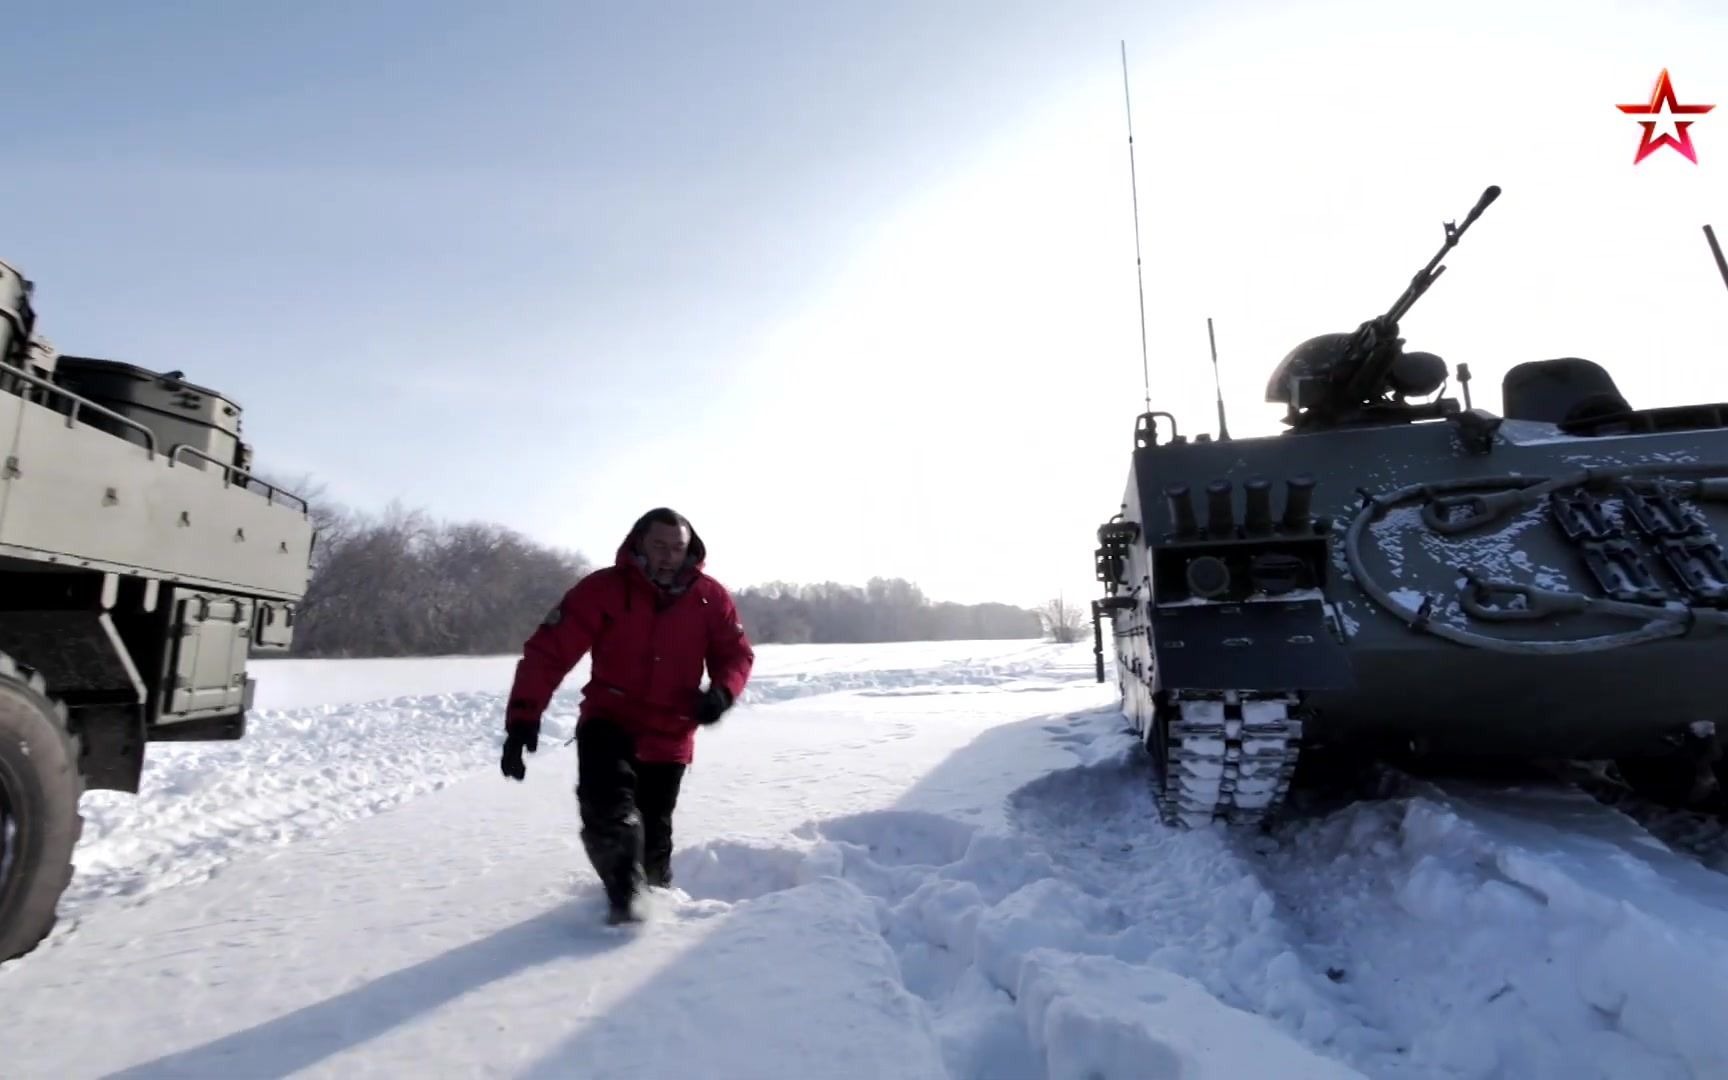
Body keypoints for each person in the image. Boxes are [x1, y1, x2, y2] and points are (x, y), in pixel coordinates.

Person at [500, 507, 755, 923]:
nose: (669, 556)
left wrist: (723, 693)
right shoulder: (604, 590)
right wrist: (522, 719)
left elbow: (735, 654)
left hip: (671, 734)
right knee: (607, 810)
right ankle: (627, 904)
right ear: (638, 542)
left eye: (678, 547)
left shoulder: (710, 597)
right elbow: (548, 651)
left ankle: (655, 909)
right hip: (609, 720)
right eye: (659, 545)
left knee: (654, 838)